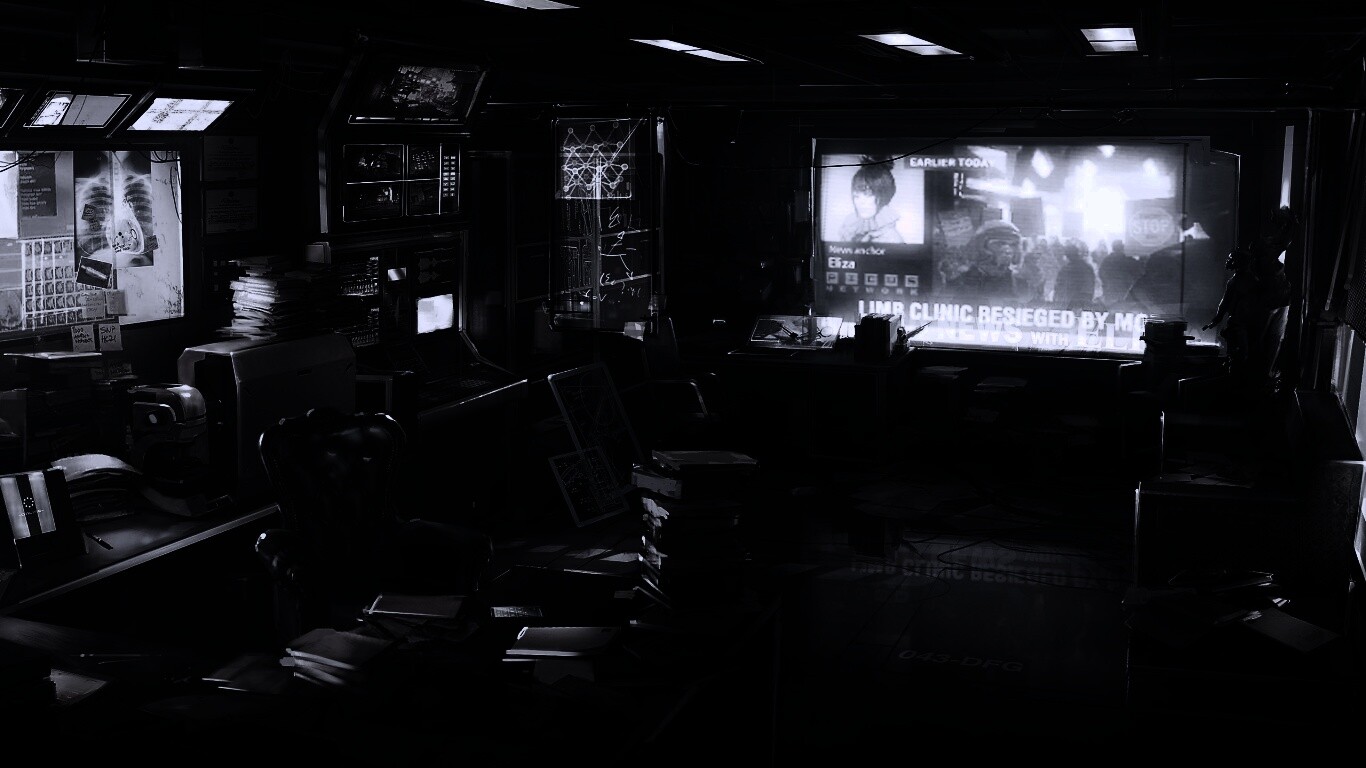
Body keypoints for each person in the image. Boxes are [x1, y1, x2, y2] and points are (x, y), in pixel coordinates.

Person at [1202, 247, 1258, 379]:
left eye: (1231, 258)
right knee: (1238, 355)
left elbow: (1225, 303)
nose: (1228, 261)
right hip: (1243, 324)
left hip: (1240, 324)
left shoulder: (1238, 281)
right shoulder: (1248, 280)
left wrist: (1216, 320)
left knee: (1238, 356)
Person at [944, 219, 1021, 304]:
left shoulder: (1020, 284)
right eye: (999, 244)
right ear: (980, 247)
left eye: (1013, 245)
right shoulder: (959, 284)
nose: (1007, 250)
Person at [838, 158, 903, 243]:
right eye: (856, 196)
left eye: (868, 195)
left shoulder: (892, 239)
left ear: (883, 195)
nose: (861, 202)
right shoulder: (849, 229)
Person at [1052, 238, 1099, 309]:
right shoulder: (1087, 267)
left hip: (1068, 303)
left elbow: (1059, 288)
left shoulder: (1065, 269)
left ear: (1067, 256)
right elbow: (1090, 287)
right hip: (1083, 303)